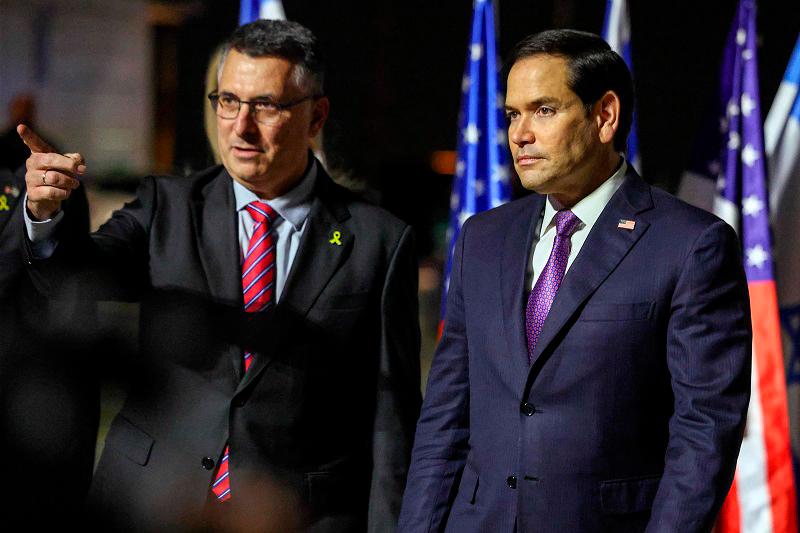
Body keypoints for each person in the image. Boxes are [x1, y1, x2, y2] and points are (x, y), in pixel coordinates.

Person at [20, 19, 421, 531]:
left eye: (266, 106)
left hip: (295, 514)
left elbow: (393, 417)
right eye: (228, 101)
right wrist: (45, 214)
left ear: (316, 116)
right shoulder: (167, 206)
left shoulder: (380, 240)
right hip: (153, 500)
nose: (240, 126)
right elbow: (74, 275)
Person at [398, 29, 751, 533]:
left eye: (543, 110)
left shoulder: (691, 245)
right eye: (512, 114)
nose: (519, 133)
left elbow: (705, 432)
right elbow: (446, 416)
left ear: (604, 115)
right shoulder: (483, 238)